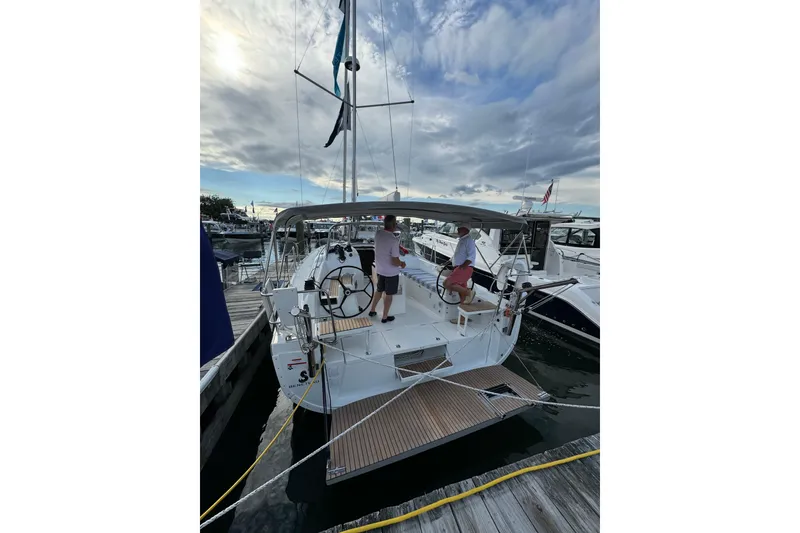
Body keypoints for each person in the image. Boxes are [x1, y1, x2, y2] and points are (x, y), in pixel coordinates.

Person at [369, 215, 406, 323]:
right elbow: (394, 261)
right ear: (394, 225)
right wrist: (402, 264)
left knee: (379, 290)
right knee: (389, 295)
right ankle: (385, 317)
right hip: (391, 273)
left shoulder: (378, 234)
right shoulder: (393, 240)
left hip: (380, 270)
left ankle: (372, 310)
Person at [444, 223, 477, 305]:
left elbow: (472, 256)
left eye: (460, 228)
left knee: (446, 283)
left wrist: (463, 267)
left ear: (466, 230)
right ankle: (463, 307)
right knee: (462, 297)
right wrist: (448, 262)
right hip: (460, 268)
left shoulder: (469, 240)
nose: (457, 229)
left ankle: (469, 292)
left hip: (464, 269)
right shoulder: (462, 240)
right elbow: (458, 255)